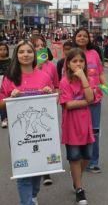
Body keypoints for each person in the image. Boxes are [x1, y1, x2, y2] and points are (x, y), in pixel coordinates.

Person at [0, 40, 53, 205]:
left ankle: (33, 195)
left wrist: (49, 94)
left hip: (40, 134)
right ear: (16, 55)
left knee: (37, 168)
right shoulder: (9, 78)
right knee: (23, 171)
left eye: (29, 51)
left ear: (34, 55)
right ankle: (27, 201)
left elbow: (52, 104)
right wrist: (10, 98)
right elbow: (1, 103)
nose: (25, 54)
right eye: (21, 51)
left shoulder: (44, 76)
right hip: (19, 134)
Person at [59, 48, 95, 205]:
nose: (78, 64)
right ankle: (79, 189)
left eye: (81, 61)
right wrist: (87, 102)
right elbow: (68, 104)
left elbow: (91, 97)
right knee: (74, 157)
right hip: (71, 126)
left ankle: (76, 178)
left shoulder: (88, 79)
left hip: (85, 125)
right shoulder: (64, 81)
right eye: (74, 61)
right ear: (68, 64)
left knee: (87, 156)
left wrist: (83, 78)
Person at [73, 28, 107, 173]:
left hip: (95, 100)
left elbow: (101, 75)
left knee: (94, 131)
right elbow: (65, 77)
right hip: (77, 100)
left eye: (85, 36)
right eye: (79, 36)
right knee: (79, 132)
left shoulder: (94, 54)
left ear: (89, 38)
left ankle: (93, 162)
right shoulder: (71, 55)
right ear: (75, 38)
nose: (82, 38)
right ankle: (79, 161)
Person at [31, 35, 59, 186]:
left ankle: (46, 170)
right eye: (36, 45)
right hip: (30, 109)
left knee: (46, 137)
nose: (40, 48)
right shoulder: (26, 66)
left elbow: (57, 85)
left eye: (42, 45)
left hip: (46, 109)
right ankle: (34, 167)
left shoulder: (52, 66)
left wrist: (54, 98)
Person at [0, 42, 11, 128]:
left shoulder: (11, 61)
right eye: (0, 49)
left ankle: (5, 118)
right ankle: (3, 117)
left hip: (7, 81)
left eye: (4, 49)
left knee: (5, 99)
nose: (2, 51)